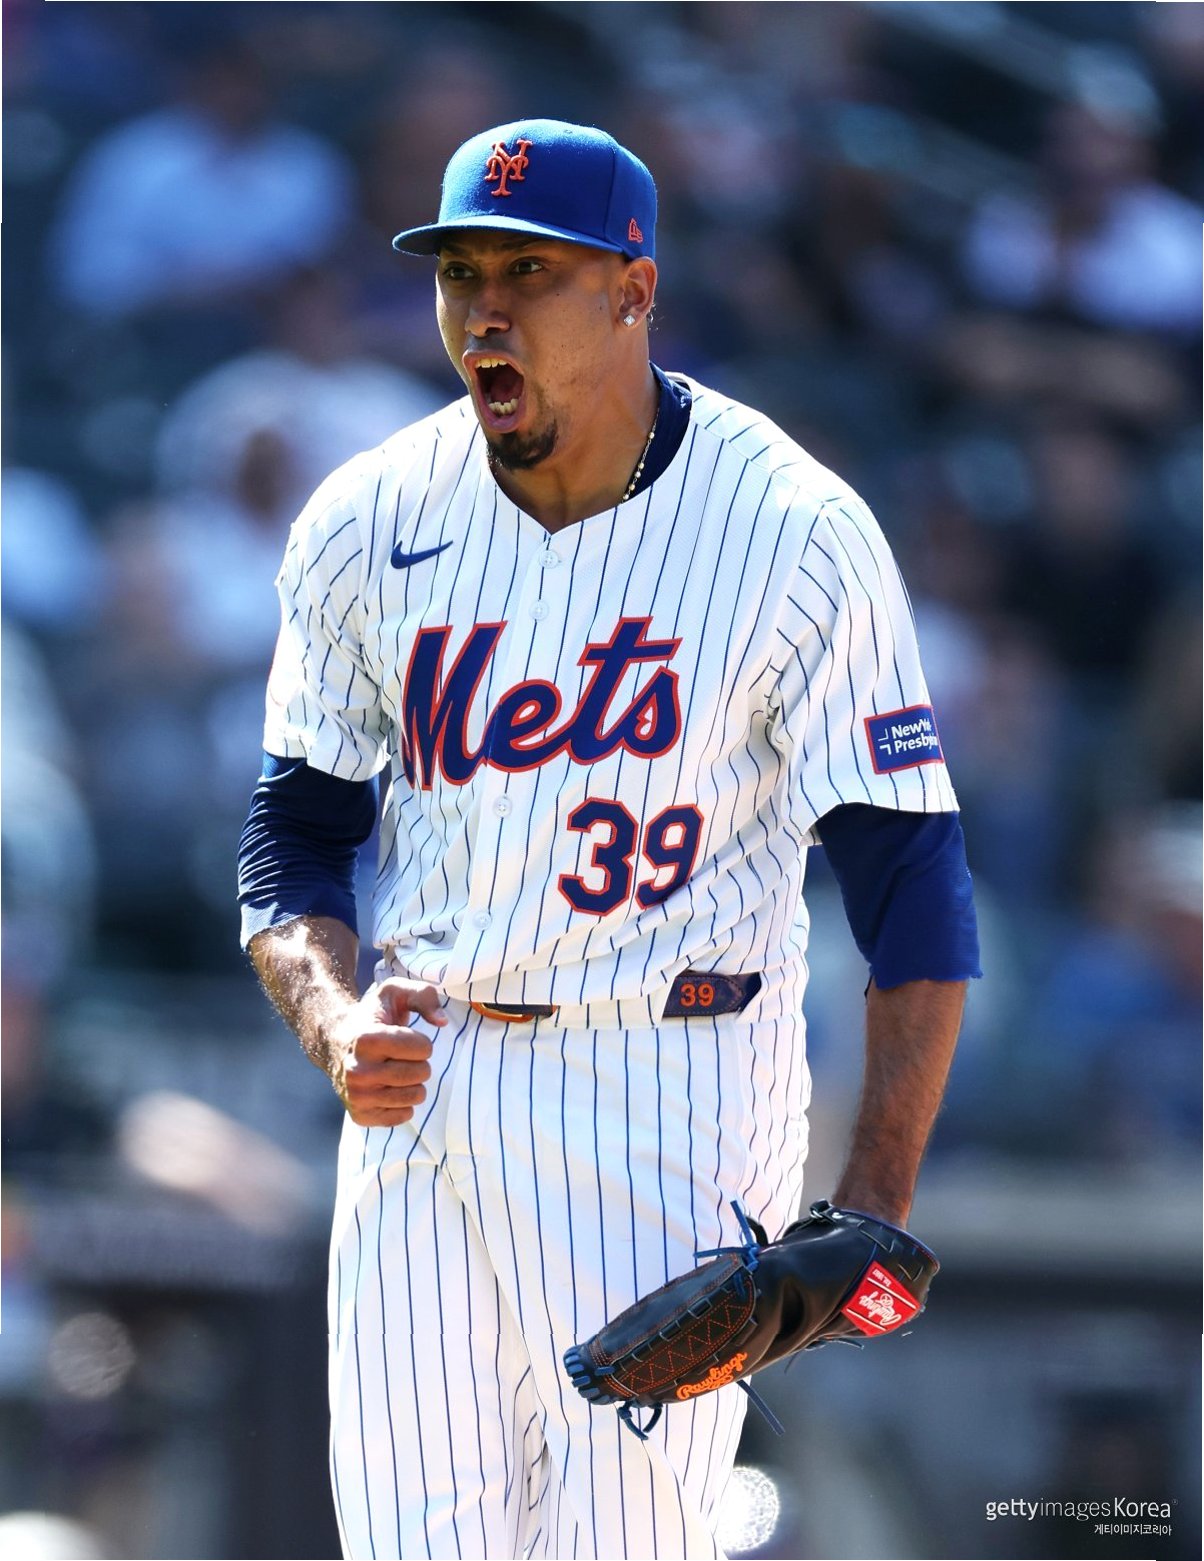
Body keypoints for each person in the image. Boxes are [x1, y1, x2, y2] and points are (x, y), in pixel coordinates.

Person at [238, 118, 980, 1561]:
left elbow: (908, 876)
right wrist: (331, 1019)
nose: (484, 310)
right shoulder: (366, 517)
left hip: (671, 1078)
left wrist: (876, 1204)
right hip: (425, 1075)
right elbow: (295, 829)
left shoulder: (790, 525)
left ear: (635, 289)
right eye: (460, 272)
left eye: (530, 271)